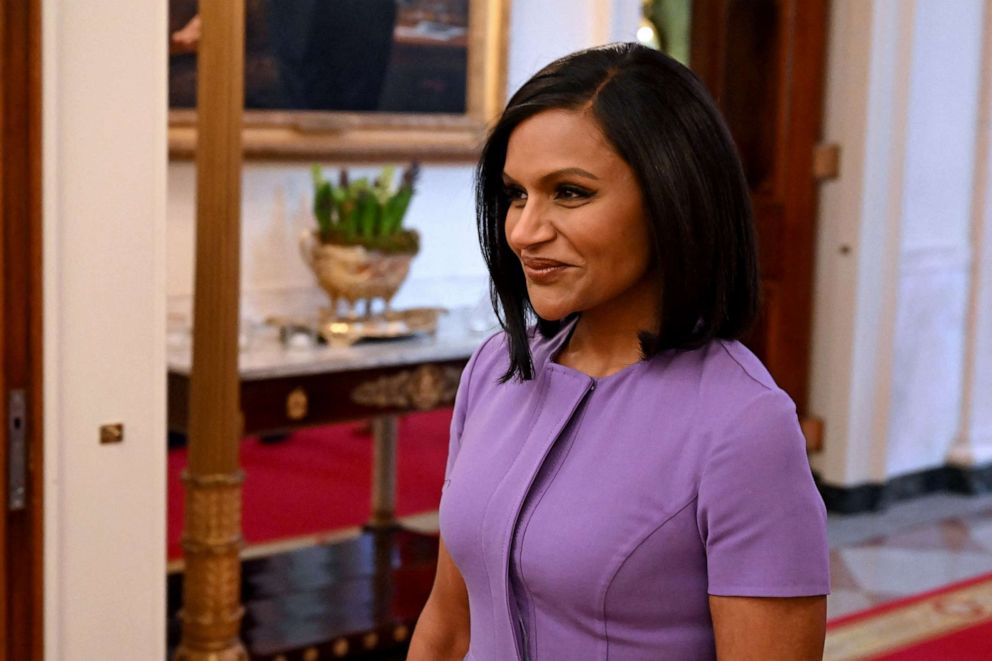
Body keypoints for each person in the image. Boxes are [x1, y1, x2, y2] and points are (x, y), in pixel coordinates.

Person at [408, 42, 830, 661]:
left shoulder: (743, 426)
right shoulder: (494, 370)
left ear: (672, 198)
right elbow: (449, 626)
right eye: (516, 194)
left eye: (570, 193)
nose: (525, 230)